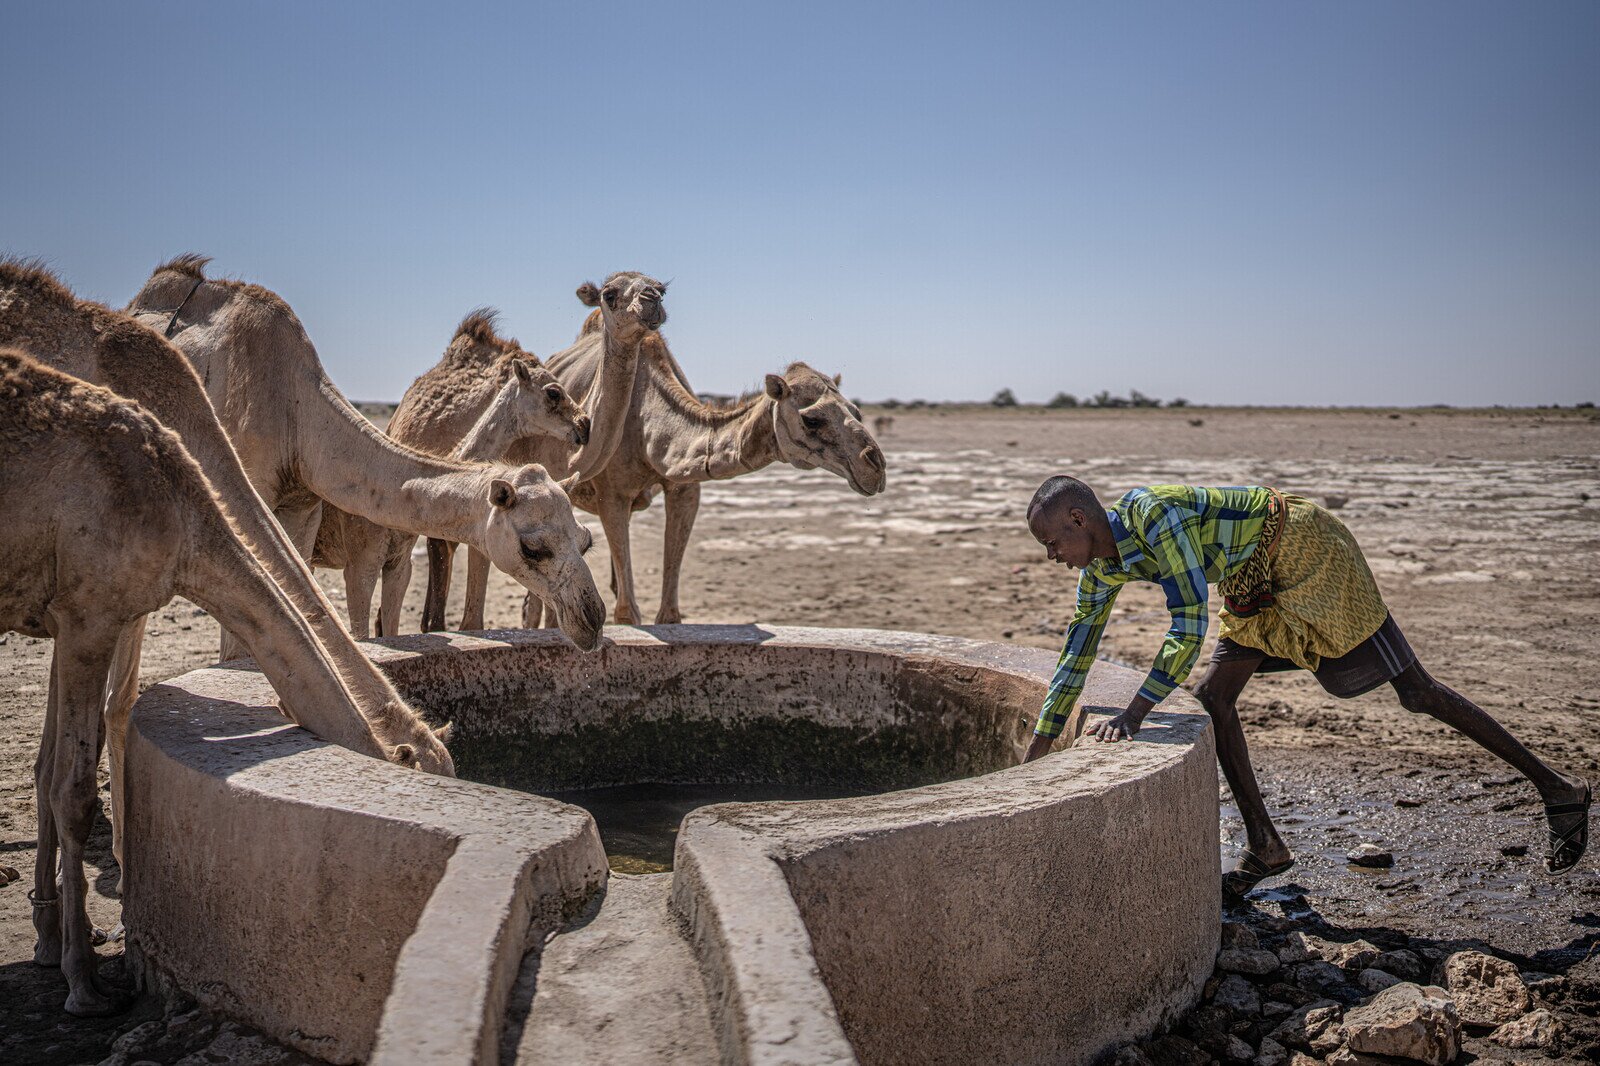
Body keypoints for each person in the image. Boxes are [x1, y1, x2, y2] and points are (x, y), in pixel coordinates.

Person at [1020, 476, 1590, 896]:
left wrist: (1135, 714)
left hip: (1301, 546)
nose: (1051, 558)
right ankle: (1267, 846)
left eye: (1052, 543)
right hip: (1249, 572)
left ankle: (1559, 790)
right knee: (1214, 699)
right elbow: (1078, 650)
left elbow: (1188, 621)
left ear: (1078, 519)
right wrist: (1038, 751)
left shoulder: (1152, 516)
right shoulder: (1100, 567)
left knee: (1414, 690)